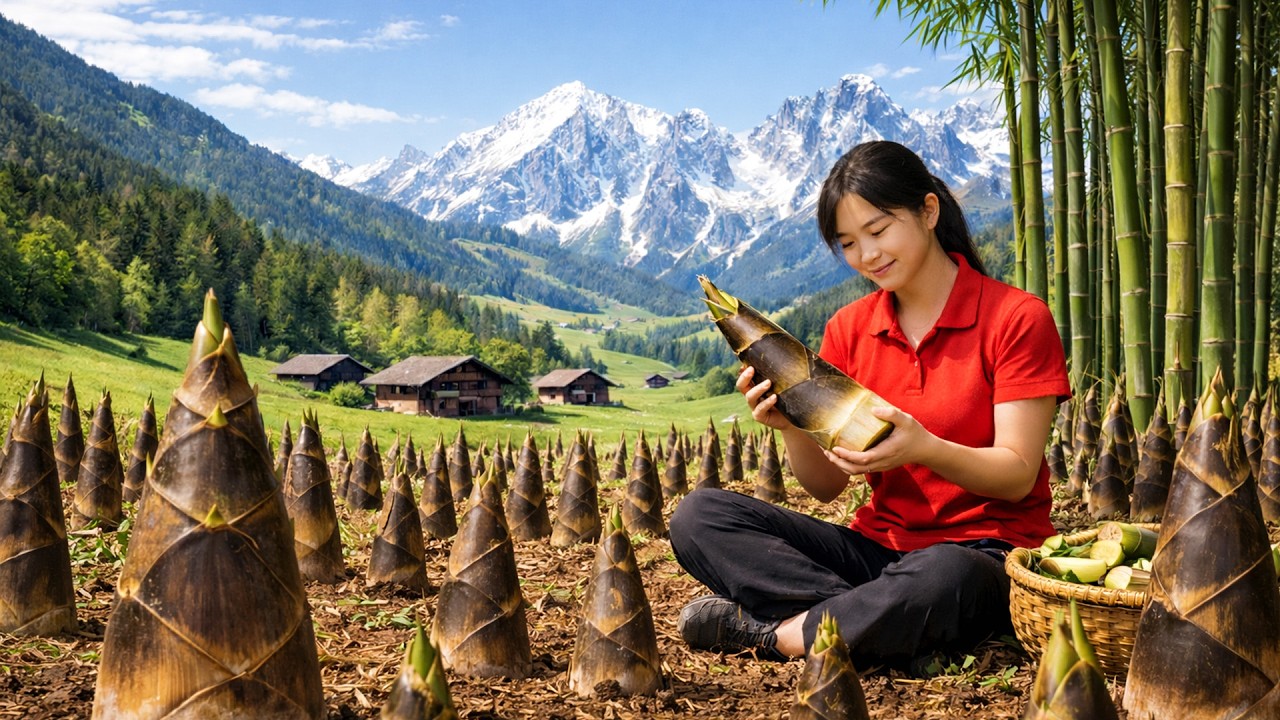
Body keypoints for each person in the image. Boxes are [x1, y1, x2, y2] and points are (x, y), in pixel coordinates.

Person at [669, 140, 1070, 671]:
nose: (868, 256)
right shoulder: (849, 329)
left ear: (928, 212)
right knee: (700, 515)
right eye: (849, 244)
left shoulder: (1016, 318)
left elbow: (1018, 475)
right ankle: (869, 618)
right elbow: (828, 487)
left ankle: (780, 634)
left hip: (988, 554)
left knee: (945, 574)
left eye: (879, 231)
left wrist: (924, 447)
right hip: (877, 554)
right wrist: (791, 427)